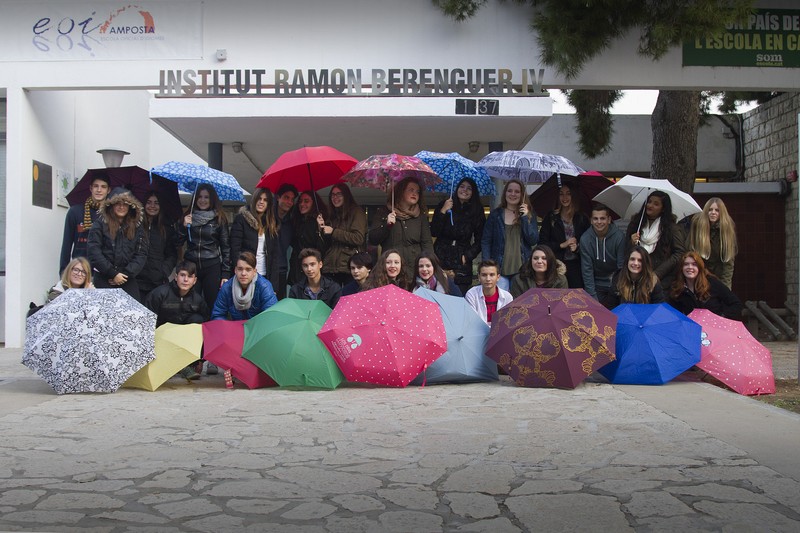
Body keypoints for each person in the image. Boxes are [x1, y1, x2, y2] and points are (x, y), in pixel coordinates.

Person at [145, 260, 209, 380]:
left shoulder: (198, 300)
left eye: (190, 277)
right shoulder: (159, 294)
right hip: (161, 338)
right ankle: (170, 365)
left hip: (182, 341)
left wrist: (200, 359)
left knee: (198, 320)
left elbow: (206, 328)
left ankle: (188, 364)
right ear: (175, 277)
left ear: (194, 280)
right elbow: (147, 322)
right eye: (182, 275)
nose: (185, 280)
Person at [87, 187, 149, 301]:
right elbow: (94, 251)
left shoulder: (137, 227)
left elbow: (141, 254)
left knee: (132, 314)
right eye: (117, 204)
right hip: (103, 277)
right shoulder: (99, 224)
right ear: (111, 205)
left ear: (130, 206)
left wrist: (124, 275)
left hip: (127, 279)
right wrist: (112, 273)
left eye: (125, 204)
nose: (121, 207)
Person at [177, 183, 231, 311]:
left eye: (206, 197)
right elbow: (177, 243)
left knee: (212, 303)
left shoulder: (219, 219)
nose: (202, 200)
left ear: (212, 199)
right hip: (191, 266)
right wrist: (183, 227)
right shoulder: (187, 217)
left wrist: (226, 273)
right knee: (190, 304)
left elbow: (226, 247)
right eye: (200, 197)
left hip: (212, 266)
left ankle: (212, 329)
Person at [368, 177, 433, 278]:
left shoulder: (421, 216)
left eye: (417, 191)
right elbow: (373, 239)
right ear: (401, 191)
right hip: (391, 271)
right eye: (411, 190)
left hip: (414, 272)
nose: (415, 193)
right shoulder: (384, 212)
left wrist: (429, 265)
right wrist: (387, 226)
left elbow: (427, 244)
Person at [430, 177, 486, 295]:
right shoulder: (444, 204)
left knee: (460, 296)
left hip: (461, 260)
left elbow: (481, 238)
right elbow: (434, 231)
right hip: (441, 255)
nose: (464, 190)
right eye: (462, 186)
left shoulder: (476, 210)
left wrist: (468, 256)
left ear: (473, 192)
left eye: (469, 188)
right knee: (438, 294)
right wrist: (443, 211)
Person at [481, 179, 538, 292]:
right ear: (505, 193)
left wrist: (525, 217)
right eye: (509, 191)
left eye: (517, 191)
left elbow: (533, 240)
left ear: (522, 194)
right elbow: (486, 241)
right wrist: (487, 263)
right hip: (499, 270)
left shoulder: (529, 215)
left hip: (522, 270)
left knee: (520, 306)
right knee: (501, 306)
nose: (513, 194)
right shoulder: (495, 215)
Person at [625, 190, 686, 290]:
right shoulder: (636, 224)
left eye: (656, 204)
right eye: (649, 202)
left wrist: (658, 274)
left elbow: (679, 253)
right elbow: (626, 251)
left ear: (663, 209)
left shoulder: (671, 228)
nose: (650, 205)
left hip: (661, 279)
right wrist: (631, 243)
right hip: (636, 276)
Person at [538, 182, 590, 288]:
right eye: (561, 194)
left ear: (573, 196)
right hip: (556, 265)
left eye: (568, 193)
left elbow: (588, 243)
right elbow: (542, 244)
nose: (564, 197)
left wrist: (577, 247)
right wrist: (562, 245)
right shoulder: (551, 217)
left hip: (577, 266)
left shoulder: (582, 218)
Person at [229, 187, 281, 292]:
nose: (261, 202)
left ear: (269, 204)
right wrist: (241, 271)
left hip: (265, 275)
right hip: (245, 275)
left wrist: (274, 285)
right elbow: (234, 249)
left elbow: (275, 256)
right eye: (259, 198)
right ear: (254, 200)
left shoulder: (271, 223)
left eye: (265, 200)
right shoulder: (241, 219)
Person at [669, 251, 742, 319]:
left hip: (715, 327)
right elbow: (674, 315)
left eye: (694, 264)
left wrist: (721, 317)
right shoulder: (678, 289)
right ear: (681, 268)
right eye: (686, 264)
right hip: (692, 328)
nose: (690, 267)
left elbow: (736, 304)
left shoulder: (712, 283)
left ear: (700, 268)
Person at [60, 174, 110, 274]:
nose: (99, 190)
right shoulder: (75, 212)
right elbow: (66, 245)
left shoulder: (112, 214)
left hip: (104, 272)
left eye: (103, 187)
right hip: (80, 271)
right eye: (96, 186)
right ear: (90, 188)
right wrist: (63, 274)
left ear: (108, 190)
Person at [320, 183, 367, 287]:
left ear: (346, 196)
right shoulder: (331, 215)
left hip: (349, 266)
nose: (335, 197)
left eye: (339, 194)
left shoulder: (356, 212)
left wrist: (333, 232)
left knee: (349, 301)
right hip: (330, 266)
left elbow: (358, 238)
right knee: (331, 302)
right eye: (333, 195)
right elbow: (326, 244)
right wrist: (321, 227)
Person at [136, 191, 178, 302]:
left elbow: (172, 254)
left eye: (156, 203)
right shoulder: (136, 225)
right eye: (149, 202)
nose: (152, 206)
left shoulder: (166, 227)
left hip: (157, 280)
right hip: (137, 280)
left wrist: (163, 271)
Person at [211, 252, 278, 321]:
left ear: (254, 272)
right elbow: (218, 315)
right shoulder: (227, 288)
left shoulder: (264, 286)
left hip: (258, 327)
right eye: (240, 269)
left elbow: (271, 315)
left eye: (248, 269)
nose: (243, 273)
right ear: (235, 270)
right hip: (235, 327)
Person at [688, 197, 737, 289]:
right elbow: (691, 252)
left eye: (717, 210)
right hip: (698, 275)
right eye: (710, 210)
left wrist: (726, 288)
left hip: (718, 275)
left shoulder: (726, 230)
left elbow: (728, 263)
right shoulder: (698, 226)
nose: (713, 212)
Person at [580, 203, 626, 303]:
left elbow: (621, 267)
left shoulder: (619, 237)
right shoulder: (585, 239)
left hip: (615, 284)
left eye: (602, 218)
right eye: (595, 219)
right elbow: (587, 270)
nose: (599, 222)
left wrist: (619, 290)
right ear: (591, 221)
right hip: (596, 285)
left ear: (609, 220)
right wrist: (592, 297)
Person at [288, 191, 328, 286]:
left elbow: (323, 247)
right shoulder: (296, 221)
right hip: (297, 267)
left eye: (306, 201)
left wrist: (320, 229)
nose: (302, 204)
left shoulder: (320, 222)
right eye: (300, 201)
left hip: (313, 269)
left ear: (314, 204)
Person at [465, 260, 513, 326]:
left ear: (498, 277)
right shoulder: (471, 294)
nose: (488, 279)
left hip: (499, 334)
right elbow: (471, 321)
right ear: (479, 277)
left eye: (492, 275)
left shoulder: (507, 297)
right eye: (484, 275)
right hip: (477, 333)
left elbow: (508, 322)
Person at [275, 183, 299, 299]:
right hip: (264, 269)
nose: (289, 202)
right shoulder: (267, 219)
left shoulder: (291, 222)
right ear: (278, 197)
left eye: (292, 199)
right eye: (286, 197)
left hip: (281, 270)